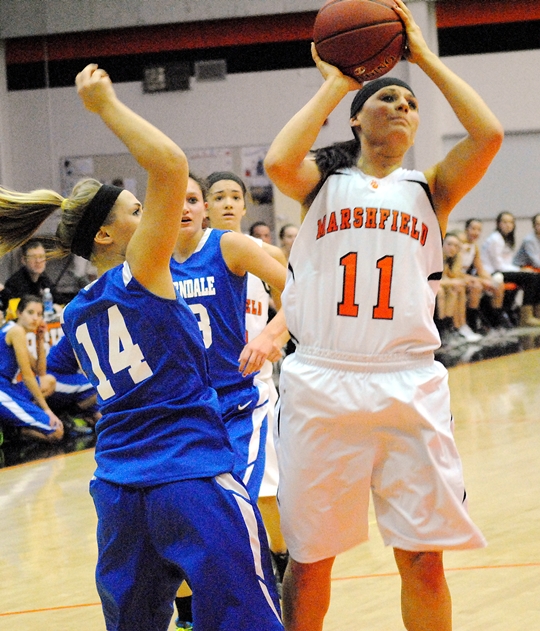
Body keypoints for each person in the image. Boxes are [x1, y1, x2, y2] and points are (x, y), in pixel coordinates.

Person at [0, 64, 283, 631]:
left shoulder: (77, 311)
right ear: (106, 236)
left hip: (118, 486)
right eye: (137, 211)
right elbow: (172, 165)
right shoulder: (145, 272)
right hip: (190, 473)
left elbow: (61, 368)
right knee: (246, 619)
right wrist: (105, 106)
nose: (153, 213)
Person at [262, 1, 504, 629]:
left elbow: (489, 135)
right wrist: (337, 80)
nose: (401, 106)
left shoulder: (431, 189)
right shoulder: (321, 181)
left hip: (408, 380)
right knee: (311, 561)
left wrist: (423, 58)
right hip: (322, 380)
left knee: (424, 559)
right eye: (385, 99)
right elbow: (277, 163)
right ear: (355, 118)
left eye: (410, 104)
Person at [170, 173, 287, 629]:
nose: (189, 206)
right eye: (214, 196)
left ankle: (278, 575)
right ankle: (188, 614)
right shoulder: (150, 258)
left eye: (197, 198)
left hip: (246, 393)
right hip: (188, 407)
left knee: (255, 498)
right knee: (183, 510)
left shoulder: (235, 249)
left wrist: (276, 335)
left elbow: (300, 291)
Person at [206, 171, 290, 589]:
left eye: (234, 196)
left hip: (255, 383)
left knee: (264, 486)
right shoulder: (191, 256)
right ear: (204, 205)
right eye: (217, 196)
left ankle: (281, 555)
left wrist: (275, 335)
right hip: (206, 389)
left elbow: (295, 302)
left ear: (244, 206)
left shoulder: (265, 252)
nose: (226, 203)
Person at [0, 295, 64, 443]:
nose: (35, 318)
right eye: (30, 312)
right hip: (2, 390)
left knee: (48, 381)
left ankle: (20, 420)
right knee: (56, 432)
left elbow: (40, 372)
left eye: (39, 314)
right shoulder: (16, 331)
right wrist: (47, 411)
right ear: (19, 313)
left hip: (8, 387)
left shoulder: (15, 330)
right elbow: (28, 376)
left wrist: (40, 340)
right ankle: (14, 430)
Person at [481, 211, 540, 326]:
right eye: (505, 222)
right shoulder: (495, 239)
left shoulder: (506, 239)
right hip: (494, 273)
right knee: (532, 277)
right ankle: (526, 315)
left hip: (503, 270)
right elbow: (499, 265)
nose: (508, 225)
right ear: (498, 224)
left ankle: (534, 311)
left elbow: (507, 262)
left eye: (511, 222)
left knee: (534, 277)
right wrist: (519, 270)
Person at [460, 218, 508, 331]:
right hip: (457, 276)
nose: (476, 232)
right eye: (473, 229)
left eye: (479, 230)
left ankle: (495, 323)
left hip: (467, 277)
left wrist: (491, 280)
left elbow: (480, 270)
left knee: (498, 286)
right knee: (476, 286)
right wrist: (481, 281)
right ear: (466, 229)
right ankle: (472, 325)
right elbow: (455, 271)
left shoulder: (475, 246)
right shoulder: (459, 244)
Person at [0, 239, 62, 315]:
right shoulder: (15, 282)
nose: (38, 261)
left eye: (41, 256)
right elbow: (27, 308)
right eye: (33, 257)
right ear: (23, 260)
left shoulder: (44, 280)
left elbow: (59, 299)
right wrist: (52, 308)